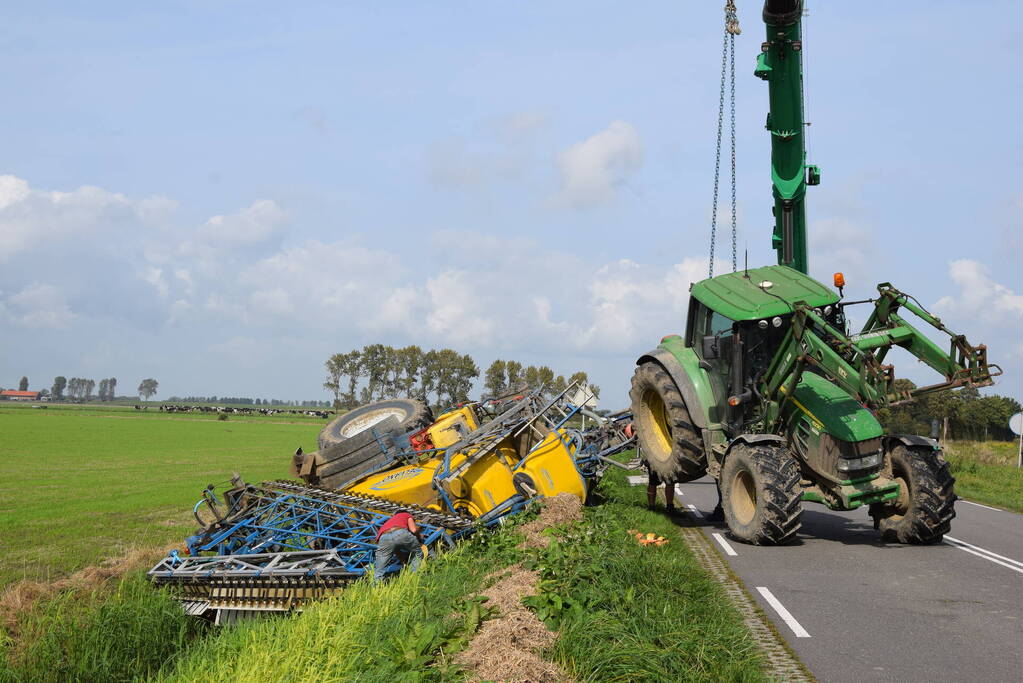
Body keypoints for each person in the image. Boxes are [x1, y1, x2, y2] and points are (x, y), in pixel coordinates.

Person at [373, 509, 423, 581]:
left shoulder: (390, 521)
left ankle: (376, 584)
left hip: (384, 537)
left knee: (380, 565)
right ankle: (413, 578)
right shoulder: (406, 515)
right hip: (400, 532)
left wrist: (403, 561)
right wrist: (419, 537)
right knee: (417, 553)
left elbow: (395, 549)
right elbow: (413, 530)